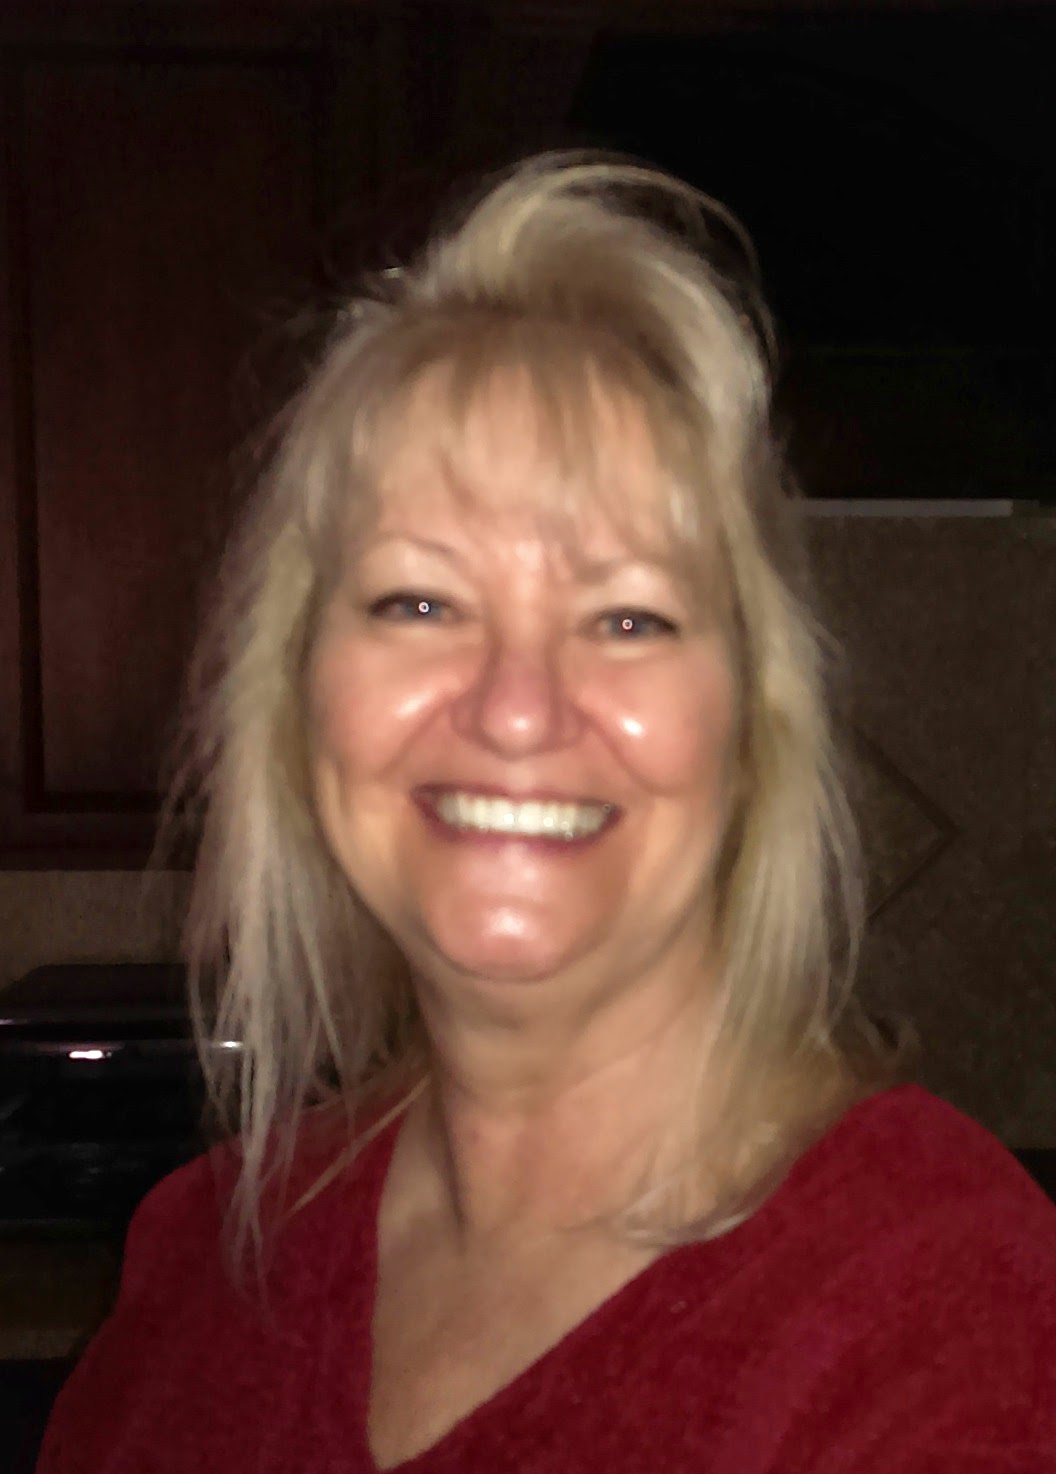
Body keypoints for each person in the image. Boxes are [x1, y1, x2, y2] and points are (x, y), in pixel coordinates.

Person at [38, 155, 1056, 1473]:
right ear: (296, 702)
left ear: (750, 728)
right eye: (419, 601)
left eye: (628, 617)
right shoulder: (202, 1255)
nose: (517, 710)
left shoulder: (951, 1323)